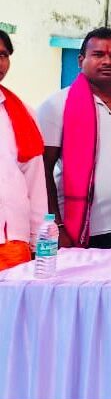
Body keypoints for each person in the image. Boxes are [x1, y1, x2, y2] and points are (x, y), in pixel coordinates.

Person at [37, 28, 111, 249]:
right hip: (82, 230)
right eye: (98, 54)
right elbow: (42, 170)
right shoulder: (57, 105)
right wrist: (57, 226)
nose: (108, 61)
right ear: (81, 60)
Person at [0, 29, 47, 270]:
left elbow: (34, 181)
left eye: (3, 55)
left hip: (13, 242)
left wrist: (39, 241)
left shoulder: (23, 113)